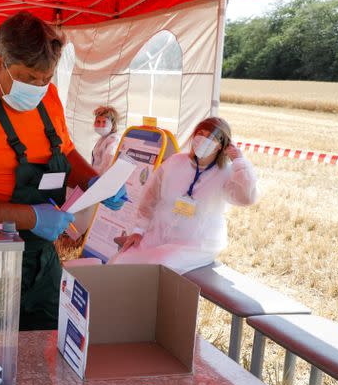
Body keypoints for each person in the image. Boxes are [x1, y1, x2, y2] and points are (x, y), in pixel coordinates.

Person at [0, 11, 126, 330]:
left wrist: (93, 180)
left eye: (46, 78)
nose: (39, 87)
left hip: (40, 261)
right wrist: (30, 217)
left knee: (47, 351)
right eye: (29, 77)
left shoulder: (50, 98)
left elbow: (65, 151)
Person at [110, 117, 259, 274]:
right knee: (121, 260)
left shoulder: (227, 173)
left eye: (210, 137)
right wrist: (138, 230)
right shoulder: (175, 162)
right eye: (200, 133)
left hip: (195, 244)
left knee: (159, 266)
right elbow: (150, 197)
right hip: (159, 233)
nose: (203, 140)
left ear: (221, 146)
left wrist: (239, 161)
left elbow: (247, 198)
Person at [91, 105, 121, 176]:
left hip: (102, 180)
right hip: (96, 178)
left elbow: (108, 164)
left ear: (113, 124)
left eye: (104, 122)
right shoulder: (102, 139)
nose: (101, 125)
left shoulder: (114, 140)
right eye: (98, 121)